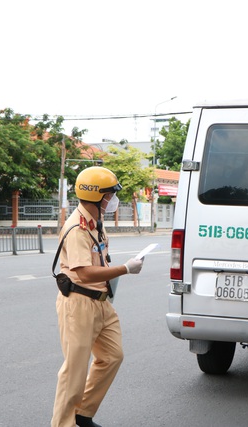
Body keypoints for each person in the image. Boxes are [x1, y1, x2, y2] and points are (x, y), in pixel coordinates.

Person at [51, 166, 144, 427]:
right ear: (98, 196)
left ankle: (83, 413)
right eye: (111, 193)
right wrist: (126, 268)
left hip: (102, 303)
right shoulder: (78, 229)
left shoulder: (96, 223)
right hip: (79, 304)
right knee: (74, 372)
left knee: (112, 357)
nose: (114, 199)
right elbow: (84, 271)